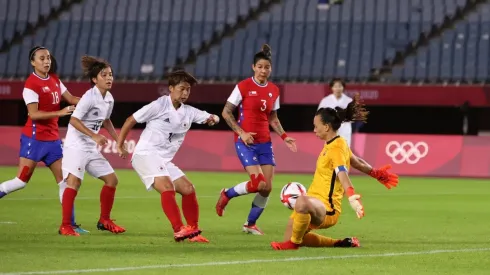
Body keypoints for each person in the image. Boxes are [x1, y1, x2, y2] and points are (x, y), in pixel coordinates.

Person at [271, 94, 399, 250]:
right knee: (298, 236)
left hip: (327, 208)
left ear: (326, 127)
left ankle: (292, 245)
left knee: (301, 204)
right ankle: (340, 243)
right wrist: (376, 173)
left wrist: (351, 196)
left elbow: (342, 173)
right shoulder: (337, 142)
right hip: (314, 200)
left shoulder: (336, 148)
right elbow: (356, 162)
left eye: (316, 126)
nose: (314, 130)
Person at [116, 70, 220, 242]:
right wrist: (120, 144)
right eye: (182, 89)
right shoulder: (158, 105)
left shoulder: (189, 112)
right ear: (171, 88)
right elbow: (130, 120)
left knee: (188, 189)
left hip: (163, 160)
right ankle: (179, 229)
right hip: (145, 154)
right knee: (167, 186)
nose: (185, 93)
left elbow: (212, 116)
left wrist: (213, 119)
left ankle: (193, 232)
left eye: (188, 89)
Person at [0, 46, 88, 234]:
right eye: (42, 58)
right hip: (34, 140)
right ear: (33, 62)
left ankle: (69, 225)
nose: (46, 61)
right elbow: (33, 114)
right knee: (21, 181)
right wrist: (61, 112)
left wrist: (90, 99)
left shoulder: (55, 79)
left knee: (65, 181)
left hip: (53, 141)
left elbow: (71, 98)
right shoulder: (31, 85)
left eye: (48, 57)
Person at [216, 44, 297, 235]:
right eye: (259, 66)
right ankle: (226, 194)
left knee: (267, 188)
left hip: (265, 143)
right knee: (258, 183)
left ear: (271, 69)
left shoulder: (274, 90)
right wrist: (241, 132)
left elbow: (273, 118)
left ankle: (249, 224)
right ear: (253, 67)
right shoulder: (243, 86)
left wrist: (284, 136)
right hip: (245, 142)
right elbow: (226, 112)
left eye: (266, 67)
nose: (263, 70)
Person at [59, 55, 125, 236]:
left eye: (111, 74)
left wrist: (118, 140)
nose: (109, 78)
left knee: (112, 180)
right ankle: (65, 225)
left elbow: (106, 120)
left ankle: (104, 220)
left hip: (90, 147)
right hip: (76, 146)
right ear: (95, 80)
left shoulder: (109, 98)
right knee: (74, 182)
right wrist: (95, 136)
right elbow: (73, 120)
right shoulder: (89, 97)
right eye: (104, 75)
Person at [317, 78, 354, 147]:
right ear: (332, 88)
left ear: (343, 87)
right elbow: (319, 116)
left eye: (340, 86)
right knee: (330, 149)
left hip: (345, 128)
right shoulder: (325, 100)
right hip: (330, 128)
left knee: (344, 150)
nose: (338, 89)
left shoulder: (349, 101)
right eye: (335, 86)